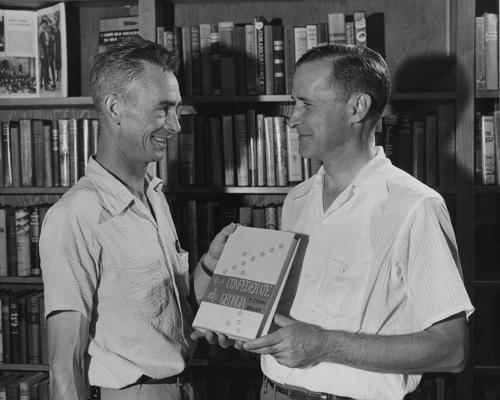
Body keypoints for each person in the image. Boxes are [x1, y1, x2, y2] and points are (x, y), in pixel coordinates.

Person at [193, 44, 474, 400]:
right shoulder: (296, 200)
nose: (292, 118)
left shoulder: (415, 206)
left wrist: (324, 345)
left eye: (307, 105)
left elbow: (452, 350)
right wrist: (237, 322)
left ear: (358, 108)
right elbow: (292, 316)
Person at [40, 35, 234, 400]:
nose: (175, 126)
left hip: (183, 388)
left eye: (176, 109)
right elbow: (64, 368)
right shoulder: (75, 216)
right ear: (114, 108)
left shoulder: (153, 195)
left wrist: (209, 265)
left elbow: (160, 312)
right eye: (162, 109)